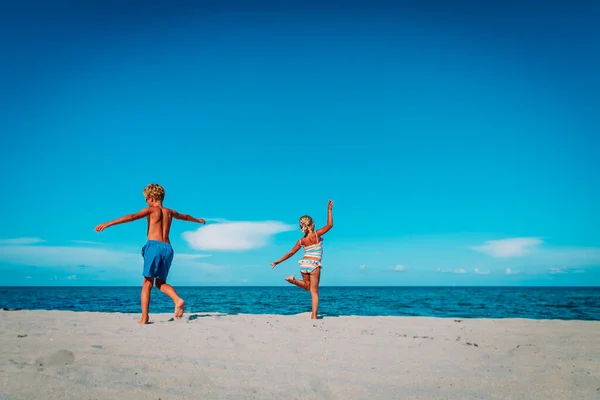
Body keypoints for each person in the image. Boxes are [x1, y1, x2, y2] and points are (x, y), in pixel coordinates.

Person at [95, 184, 206, 324]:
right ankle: (177, 299)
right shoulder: (170, 212)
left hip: (153, 246)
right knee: (160, 283)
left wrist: (108, 223)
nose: (146, 202)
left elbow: (132, 216)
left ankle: (144, 317)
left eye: (146, 200)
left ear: (151, 198)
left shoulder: (151, 210)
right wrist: (198, 220)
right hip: (168, 248)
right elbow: (184, 216)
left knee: (147, 283)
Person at [270, 200, 334, 319]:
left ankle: (293, 280)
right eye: (313, 222)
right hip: (314, 265)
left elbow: (291, 252)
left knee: (307, 286)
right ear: (310, 224)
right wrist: (329, 210)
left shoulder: (301, 241)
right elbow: (330, 225)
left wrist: (278, 261)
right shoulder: (316, 235)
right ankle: (314, 316)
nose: (315, 223)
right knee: (314, 292)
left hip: (304, 264)